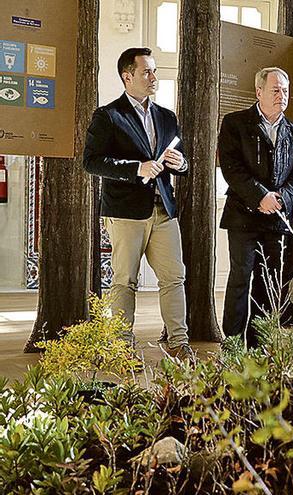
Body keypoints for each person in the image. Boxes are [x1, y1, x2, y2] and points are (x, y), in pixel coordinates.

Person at [83, 47, 193, 359]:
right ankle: (121, 347)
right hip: (126, 212)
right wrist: (135, 169)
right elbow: (91, 162)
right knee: (124, 281)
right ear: (127, 76)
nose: (153, 77)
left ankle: (178, 343)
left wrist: (180, 162)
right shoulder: (108, 116)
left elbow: (180, 161)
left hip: (164, 211)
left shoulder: (167, 117)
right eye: (146, 72)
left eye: (155, 71)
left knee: (175, 278)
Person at [218, 67, 293, 348]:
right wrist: (260, 196)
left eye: (285, 91)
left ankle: (259, 346)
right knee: (240, 278)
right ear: (259, 92)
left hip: (276, 219)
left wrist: (282, 198)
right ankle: (232, 345)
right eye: (276, 90)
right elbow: (231, 167)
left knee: (268, 284)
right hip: (242, 217)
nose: (282, 96)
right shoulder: (235, 123)